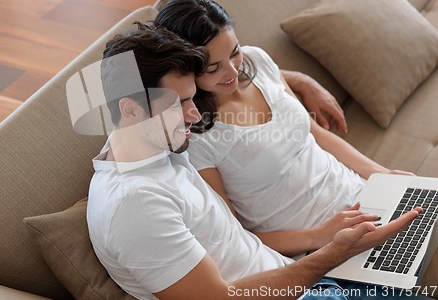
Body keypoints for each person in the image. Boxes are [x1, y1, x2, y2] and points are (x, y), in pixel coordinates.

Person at [86, 24, 426, 300]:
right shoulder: (135, 205)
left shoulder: (147, 143)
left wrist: (296, 79)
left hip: (305, 281)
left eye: (191, 99)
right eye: (179, 104)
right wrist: (332, 253)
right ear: (130, 110)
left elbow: (234, 73)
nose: (193, 114)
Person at [154, 0, 414, 257]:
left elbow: (317, 135)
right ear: (186, 68)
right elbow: (236, 237)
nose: (233, 72)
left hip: (364, 195)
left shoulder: (257, 61)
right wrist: (319, 236)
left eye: (234, 53)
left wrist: (382, 175)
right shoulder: (196, 136)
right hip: (322, 247)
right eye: (213, 68)